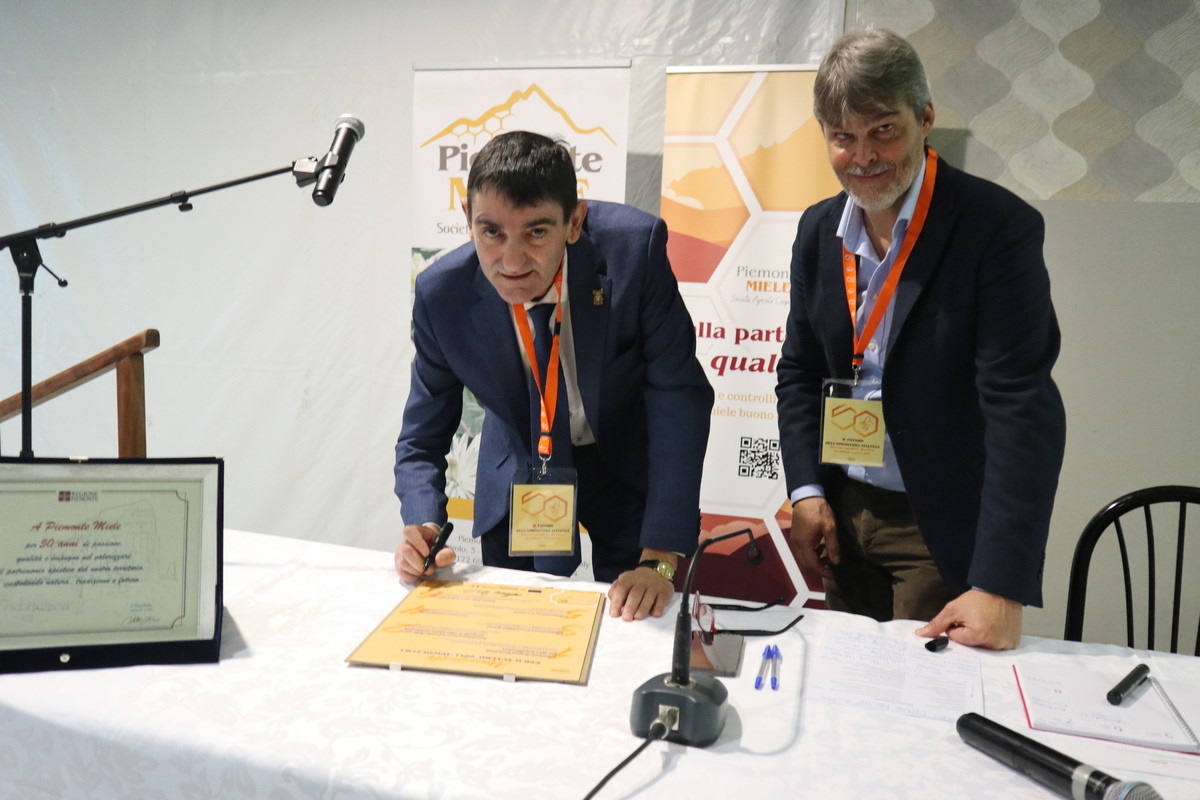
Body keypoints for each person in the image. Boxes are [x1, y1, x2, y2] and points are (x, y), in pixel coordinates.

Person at [775, 29, 1066, 650]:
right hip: (843, 518)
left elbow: (1021, 408)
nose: (863, 156)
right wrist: (806, 491)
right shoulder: (818, 230)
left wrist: (999, 584)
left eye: (884, 130)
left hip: (938, 525)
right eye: (842, 136)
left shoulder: (996, 229)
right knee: (847, 684)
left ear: (925, 117)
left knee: (926, 693)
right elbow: (799, 370)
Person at [394, 130, 713, 622]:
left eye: (536, 233)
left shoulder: (634, 251)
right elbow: (421, 436)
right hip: (523, 466)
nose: (512, 261)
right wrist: (423, 526)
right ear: (467, 218)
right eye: (491, 232)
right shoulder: (442, 296)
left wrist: (661, 558)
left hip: (623, 463)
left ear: (574, 222)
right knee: (516, 630)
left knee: (640, 616)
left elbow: (679, 398)